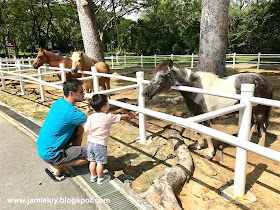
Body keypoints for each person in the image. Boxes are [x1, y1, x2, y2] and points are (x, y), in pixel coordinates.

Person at [37, 78, 89, 182]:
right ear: (71, 93)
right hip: (52, 154)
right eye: (81, 91)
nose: (84, 93)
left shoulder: (59, 102)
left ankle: (73, 154)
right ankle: (59, 166)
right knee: (97, 154)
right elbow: (94, 126)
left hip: (43, 148)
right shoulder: (72, 113)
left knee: (79, 127)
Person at [84, 94, 136, 184]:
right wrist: (130, 114)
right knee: (100, 162)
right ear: (104, 106)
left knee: (92, 161)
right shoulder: (108, 117)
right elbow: (122, 117)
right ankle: (100, 179)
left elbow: (86, 129)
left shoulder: (91, 117)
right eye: (108, 103)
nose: (109, 104)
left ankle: (93, 177)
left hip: (90, 142)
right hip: (100, 144)